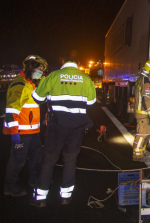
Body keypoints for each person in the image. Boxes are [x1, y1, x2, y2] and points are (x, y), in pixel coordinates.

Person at [30, 58, 96, 207]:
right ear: (76, 65)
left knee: (49, 159)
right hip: (77, 126)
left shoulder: (53, 76)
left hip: (56, 125)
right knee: (70, 159)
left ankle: (41, 197)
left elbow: (37, 98)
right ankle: (66, 196)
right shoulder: (85, 78)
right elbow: (91, 103)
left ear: (63, 64)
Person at [3, 55, 47, 197]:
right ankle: (10, 187)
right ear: (30, 67)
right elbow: (11, 110)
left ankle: (34, 180)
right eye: (39, 69)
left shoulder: (29, 83)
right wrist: (14, 131)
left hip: (33, 131)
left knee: (36, 157)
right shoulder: (20, 84)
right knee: (17, 161)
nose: (40, 72)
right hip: (22, 132)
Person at [133, 60, 150, 162]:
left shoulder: (142, 79)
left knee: (146, 134)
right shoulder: (146, 82)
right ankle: (137, 155)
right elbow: (147, 100)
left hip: (143, 113)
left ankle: (141, 150)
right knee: (142, 135)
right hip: (144, 114)